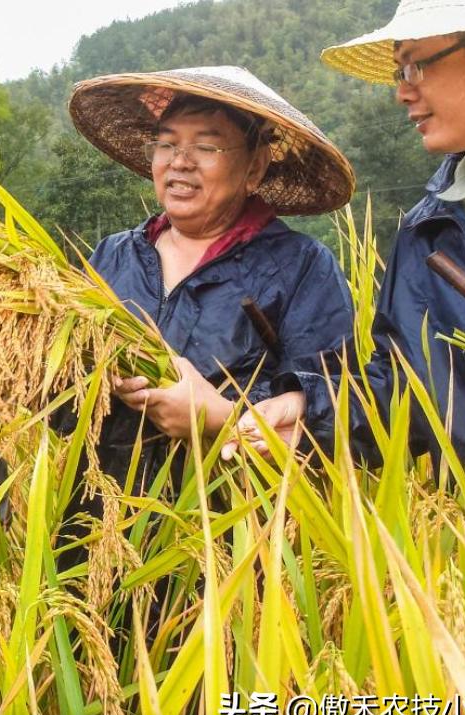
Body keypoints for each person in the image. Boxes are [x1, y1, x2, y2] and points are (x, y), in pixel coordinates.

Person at [227, 0, 465, 464]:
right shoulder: (427, 232)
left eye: (415, 66)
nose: (402, 92)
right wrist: (312, 410)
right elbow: (403, 392)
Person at [67, 66, 356, 485]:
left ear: (255, 167)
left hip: (229, 526)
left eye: (206, 146)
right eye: (166, 144)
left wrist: (221, 415)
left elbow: (331, 408)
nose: (180, 162)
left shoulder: (300, 267)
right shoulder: (114, 255)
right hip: (94, 512)